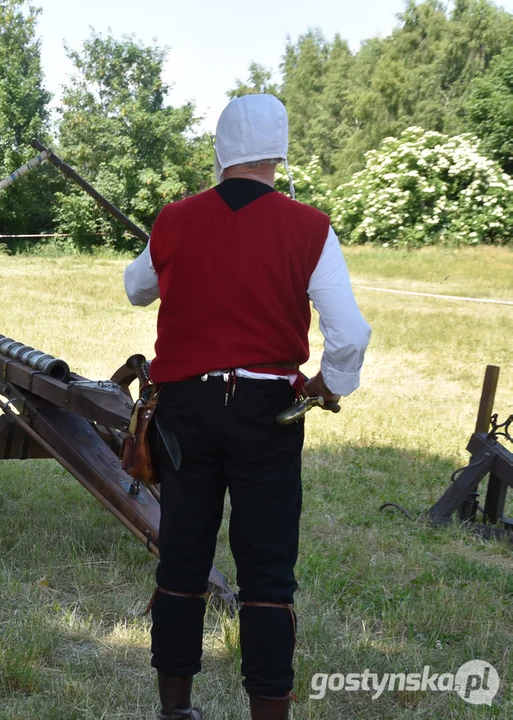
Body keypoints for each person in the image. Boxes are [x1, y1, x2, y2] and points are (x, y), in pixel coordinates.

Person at [123, 94, 371, 720]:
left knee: (182, 561)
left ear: (221, 150)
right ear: (277, 154)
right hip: (267, 412)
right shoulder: (309, 226)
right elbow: (350, 334)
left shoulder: (175, 219)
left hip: (186, 412)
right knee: (266, 575)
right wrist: (330, 385)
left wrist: (172, 244)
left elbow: (135, 288)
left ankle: (174, 711)